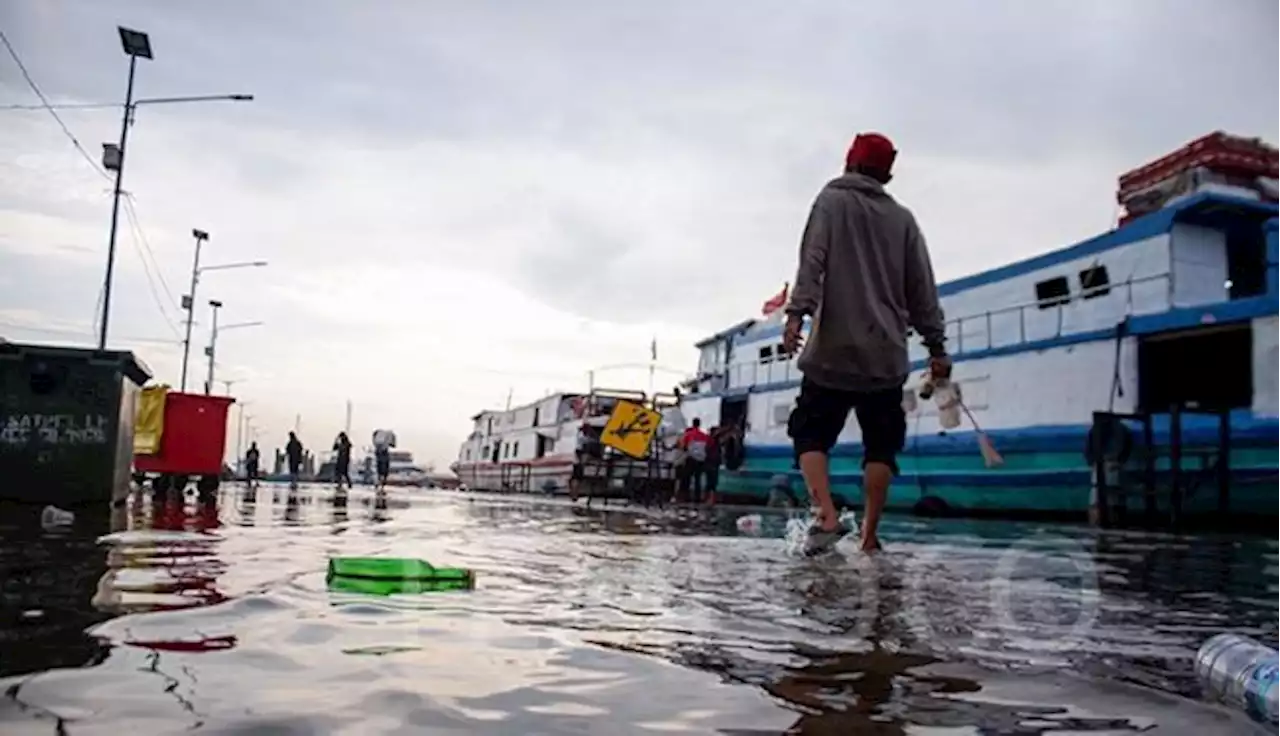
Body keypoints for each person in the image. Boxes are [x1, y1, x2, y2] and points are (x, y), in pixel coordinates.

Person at [781, 132, 950, 553]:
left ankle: (826, 515)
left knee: (810, 434)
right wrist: (937, 347)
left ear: (849, 162)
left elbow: (812, 260)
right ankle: (870, 537)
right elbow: (922, 291)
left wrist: (796, 315)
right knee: (881, 446)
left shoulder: (831, 201)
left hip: (833, 350)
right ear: (887, 174)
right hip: (885, 356)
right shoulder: (904, 220)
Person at [678, 418, 711, 504]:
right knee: (698, 479)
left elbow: (683, 446)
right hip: (701, 460)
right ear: (699, 424)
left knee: (686, 478)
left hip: (691, 459)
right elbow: (708, 447)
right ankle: (697, 498)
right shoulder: (705, 435)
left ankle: (686, 497)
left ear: (693, 424)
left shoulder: (689, 434)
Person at [703, 426, 721, 506]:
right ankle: (710, 499)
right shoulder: (713, 441)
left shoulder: (711, 440)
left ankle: (709, 499)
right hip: (712, 463)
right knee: (712, 483)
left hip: (711, 463)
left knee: (711, 483)